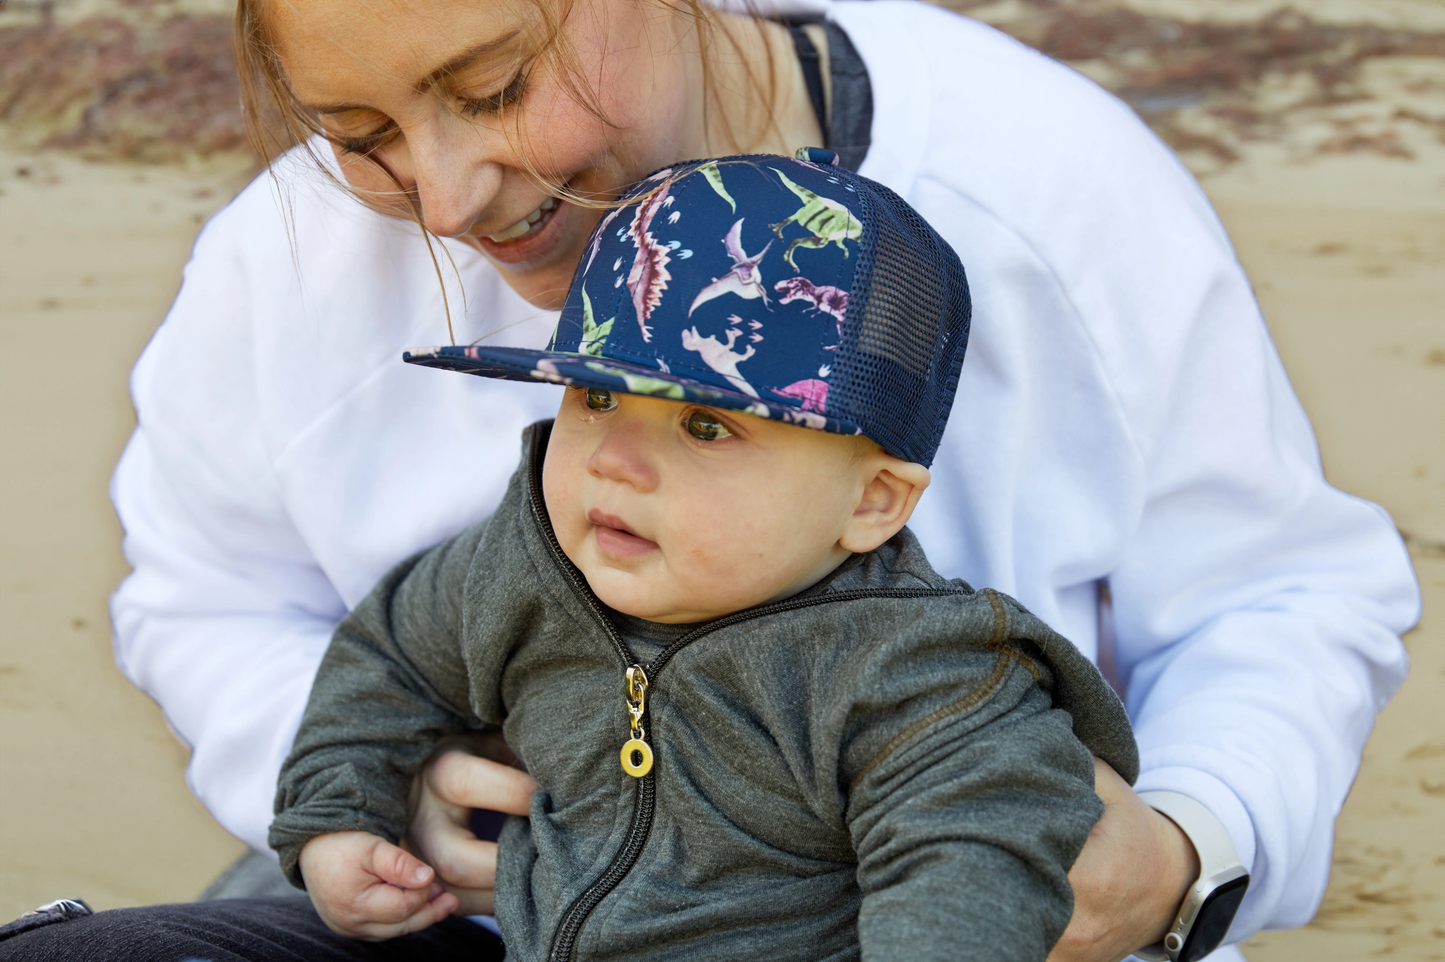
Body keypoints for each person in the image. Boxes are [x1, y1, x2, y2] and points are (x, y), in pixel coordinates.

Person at [3, 0, 1414, 957]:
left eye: (492, 86)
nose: (443, 200)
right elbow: (209, 598)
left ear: (882, 489)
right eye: (358, 134)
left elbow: (1281, 593)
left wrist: (1183, 842)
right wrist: (369, 792)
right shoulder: (285, 266)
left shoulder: (1046, 182)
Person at [272, 154, 1140, 960]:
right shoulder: (520, 564)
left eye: (704, 426)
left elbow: (966, 874)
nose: (614, 461)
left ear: (871, 502)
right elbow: (388, 654)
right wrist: (334, 817)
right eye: (598, 396)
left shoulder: (918, 678)